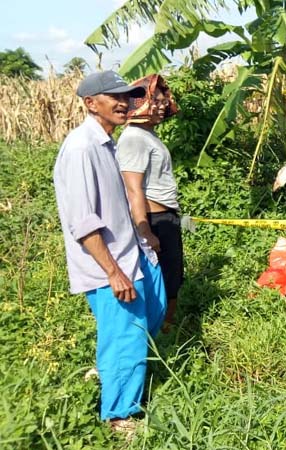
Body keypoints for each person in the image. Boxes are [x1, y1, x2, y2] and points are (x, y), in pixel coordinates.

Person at [53, 70, 166, 433]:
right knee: (127, 335)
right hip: (110, 264)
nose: (124, 103)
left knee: (154, 310)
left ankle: (110, 367)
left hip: (131, 253)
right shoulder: (82, 148)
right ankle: (120, 415)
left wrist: (142, 234)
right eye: (114, 97)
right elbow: (83, 221)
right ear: (91, 103)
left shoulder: (108, 142)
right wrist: (112, 272)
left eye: (128, 96)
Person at [116, 74, 184, 330]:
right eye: (154, 100)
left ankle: (165, 329)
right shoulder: (134, 138)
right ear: (139, 103)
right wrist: (145, 231)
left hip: (164, 217)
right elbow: (133, 189)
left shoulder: (147, 135)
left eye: (162, 100)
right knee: (164, 278)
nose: (161, 105)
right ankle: (161, 332)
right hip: (154, 220)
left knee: (173, 276)